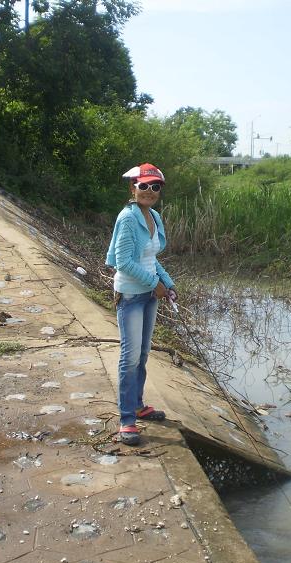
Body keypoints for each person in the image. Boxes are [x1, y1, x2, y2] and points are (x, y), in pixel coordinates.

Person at [105, 163, 178, 446]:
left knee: (144, 354)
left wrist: (167, 284)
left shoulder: (154, 217)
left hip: (150, 296)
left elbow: (151, 258)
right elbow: (124, 262)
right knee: (130, 357)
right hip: (132, 296)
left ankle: (137, 405)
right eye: (143, 186)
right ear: (132, 187)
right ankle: (126, 420)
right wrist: (154, 285)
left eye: (155, 187)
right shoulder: (127, 218)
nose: (149, 191)